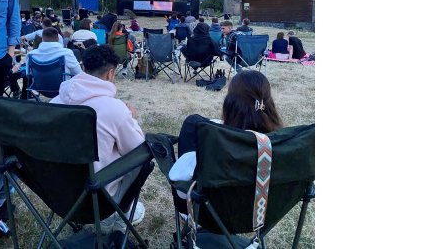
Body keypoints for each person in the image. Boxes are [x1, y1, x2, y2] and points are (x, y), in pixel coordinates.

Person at [49, 45, 146, 231]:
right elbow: (137, 149)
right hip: (97, 199)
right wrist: (130, 117)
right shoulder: (114, 109)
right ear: (110, 74)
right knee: (143, 157)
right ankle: (121, 211)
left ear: (84, 68)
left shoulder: (55, 103)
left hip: (57, 194)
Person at [168, 70, 284, 200]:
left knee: (193, 121)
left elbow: (181, 191)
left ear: (230, 104)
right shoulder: (284, 145)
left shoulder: (215, 144)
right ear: (268, 103)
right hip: (262, 214)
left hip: (210, 214)